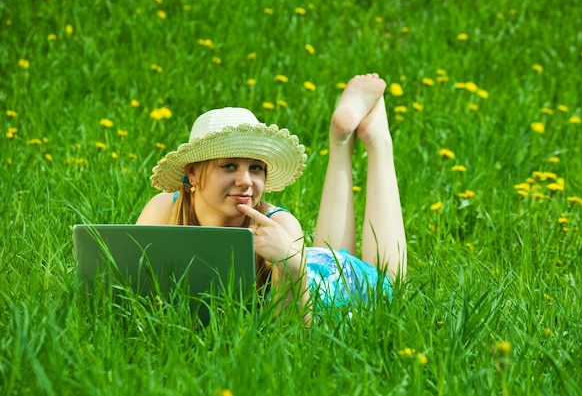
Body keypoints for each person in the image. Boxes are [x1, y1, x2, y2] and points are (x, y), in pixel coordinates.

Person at [137, 73, 407, 322]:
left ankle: (377, 140)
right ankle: (340, 139)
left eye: (255, 168)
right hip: (314, 264)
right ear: (192, 173)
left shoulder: (279, 225)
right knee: (329, 253)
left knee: (391, 288)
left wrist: (290, 264)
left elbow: (291, 335)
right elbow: (131, 291)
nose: (245, 181)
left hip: (331, 291)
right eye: (229, 166)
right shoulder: (164, 210)